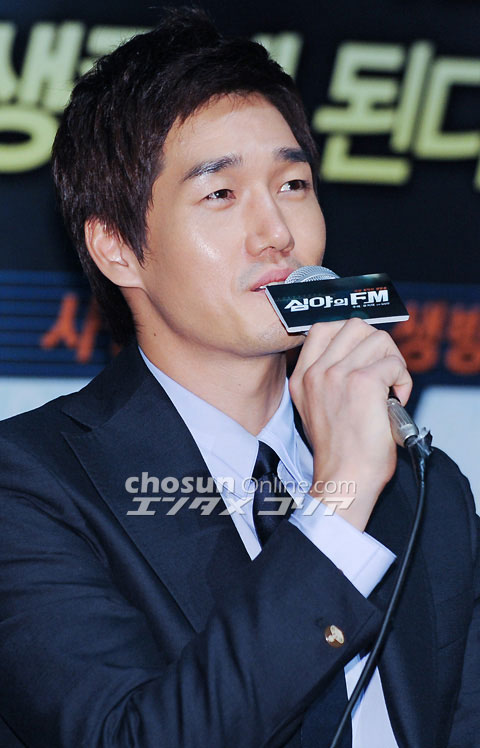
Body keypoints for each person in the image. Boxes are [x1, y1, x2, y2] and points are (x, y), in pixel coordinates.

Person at [0, 8, 478, 748]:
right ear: (117, 248)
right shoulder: (31, 485)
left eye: (293, 184)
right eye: (221, 194)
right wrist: (338, 501)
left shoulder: (425, 488)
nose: (278, 234)